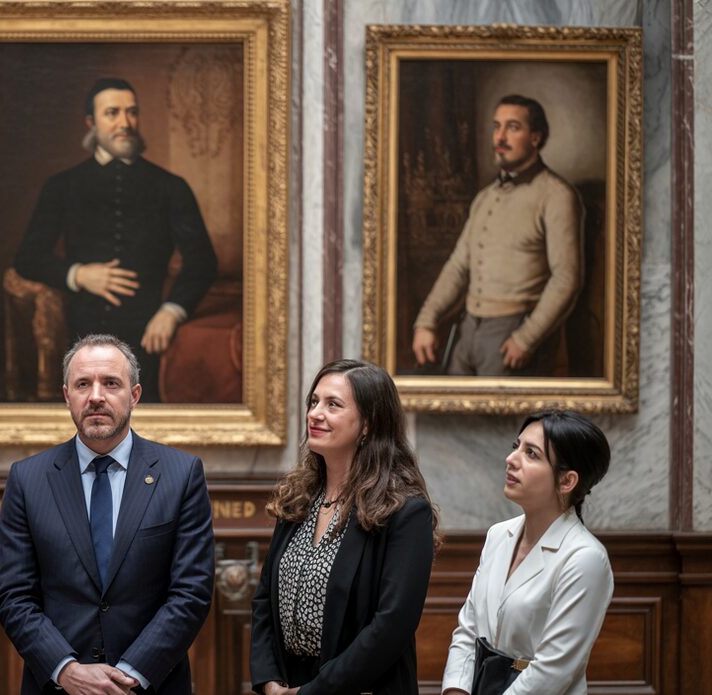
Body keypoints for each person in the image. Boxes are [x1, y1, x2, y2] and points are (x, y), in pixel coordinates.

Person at [0, 334, 215, 694]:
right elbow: (14, 596)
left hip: (150, 685)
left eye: (111, 383)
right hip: (58, 686)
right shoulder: (28, 478)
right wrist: (67, 670)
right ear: (67, 396)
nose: (96, 396)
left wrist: (129, 676)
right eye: (83, 384)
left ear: (135, 395)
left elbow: (191, 593)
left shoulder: (181, 474)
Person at [13, 77, 219, 401]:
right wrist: (79, 274)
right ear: (91, 123)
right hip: (80, 335)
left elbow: (203, 261)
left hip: (149, 335)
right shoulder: (62, 186)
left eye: (132, 112)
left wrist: (172, 311)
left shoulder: (171, 187)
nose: (125, 123)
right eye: (112, 113)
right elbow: (27, 257)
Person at [250, 359, 440, 695]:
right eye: (314, 401)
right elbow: (265, 599)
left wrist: (312, 692)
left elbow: (391, 626)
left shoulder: (404, 511)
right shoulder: (299, 498)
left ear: (367, 424)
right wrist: (269, 681)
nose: (315, 413)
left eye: (333, 405)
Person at [441, 410, 614, 695]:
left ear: (567, 481)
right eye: (516, 447)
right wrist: (455, 691)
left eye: (531, 453)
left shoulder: (585, 559)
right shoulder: (499, 535)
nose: (511, 459)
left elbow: (552, 671)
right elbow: (468, 630)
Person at [411, 94, 584, 376]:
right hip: (468, 331)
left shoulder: (557, 195)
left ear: (536, 138)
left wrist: (526, 338)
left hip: (512, 334)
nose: (500, 136)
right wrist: (426, 321)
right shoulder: (484, 198)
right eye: (496, 126)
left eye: (513, 127)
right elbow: (457, 266)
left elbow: (567, 278)